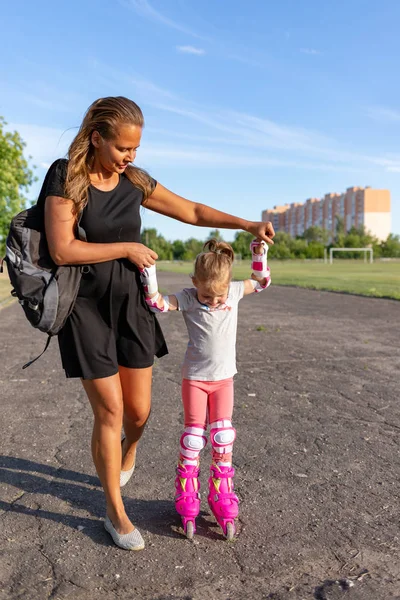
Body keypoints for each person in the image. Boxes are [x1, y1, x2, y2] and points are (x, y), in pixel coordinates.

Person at [43, 96, 275, 551]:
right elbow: (62, 250)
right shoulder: (65, 176)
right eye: (122, 148)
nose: (131, 157)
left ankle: (129, 448)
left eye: (136, 148)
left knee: (139, 412)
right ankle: (115, 511)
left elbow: (192, 212)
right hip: (87, 308)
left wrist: (245, 223)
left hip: (132, 306)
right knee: (109, 411)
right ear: (97, 139)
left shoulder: (135, 180)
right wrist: (127, 248)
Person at [141, 238, 271, 540]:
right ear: (194, 283)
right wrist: (149, 273)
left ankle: (220, 492)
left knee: (223, 437)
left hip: (224, 379)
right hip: (196, 379)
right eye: (206, 295)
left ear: (228, 287)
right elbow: (157, 303)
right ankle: (187, 493)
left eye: (219, 296)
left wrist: (258, 255)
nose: (213, 301)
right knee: (193, 438)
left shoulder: (235, 291)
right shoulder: (188, 298)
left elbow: (261, 282)